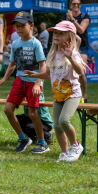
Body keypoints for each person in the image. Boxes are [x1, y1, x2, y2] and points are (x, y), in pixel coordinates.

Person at [25, 21, 86, 162]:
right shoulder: (53, 54)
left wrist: (70, 56)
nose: (56, 35)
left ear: (70, 37)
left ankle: (76, 146)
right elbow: (48, 74)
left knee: (64, 121)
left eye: (61, 33)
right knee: (57, 126)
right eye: (55, 33)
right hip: (58, 94)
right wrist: (35, 75)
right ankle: (64, 153)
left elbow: (80, 72)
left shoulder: (73, 54)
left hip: (72, 94)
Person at [0, 11, 48, 153]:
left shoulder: (36, 44)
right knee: (7, 110)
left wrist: (38, 83)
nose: (19, 29)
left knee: (32, 114)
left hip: (33, 82)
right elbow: (12, 63)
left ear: (31, 26)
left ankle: (43, 143)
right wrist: (5, 78)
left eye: (22, 26)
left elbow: (43, 66)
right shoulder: (16, 44)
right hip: (19, 81)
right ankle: (23, 138)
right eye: (17, 26)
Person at [61, 0, 90, 102]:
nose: (76, 6)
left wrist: (73, 19)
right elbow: (63, 30)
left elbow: (81, 30)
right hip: (69, 46)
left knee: (81, 72)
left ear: (80, 5)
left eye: (78, 4)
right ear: (70, 6)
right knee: (68, 71)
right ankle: (70, 94)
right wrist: (68, 19)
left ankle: (84, 95)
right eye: (73, 4)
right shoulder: (65, 17)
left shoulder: (85, 16)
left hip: (82, 47)